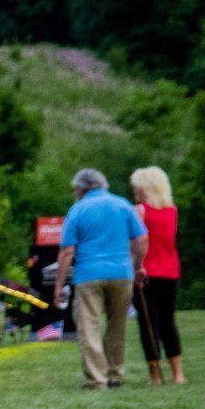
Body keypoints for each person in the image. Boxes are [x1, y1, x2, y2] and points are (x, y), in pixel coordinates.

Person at [53, 167, 148, 390]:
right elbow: (142, 238)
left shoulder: (77, 210)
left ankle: (97, 379)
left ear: (81, 188)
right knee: (117, 325)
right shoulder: (123, 205)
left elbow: (67, 251)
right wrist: (137, 266)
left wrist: (59, 285)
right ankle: (114, 374)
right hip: (121, 273)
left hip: (89, 275)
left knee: (89, 327)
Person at [130, 165, 184, 385]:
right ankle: (178, 373)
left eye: (136, 186)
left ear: (146, 187)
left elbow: (135, 242)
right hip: (170, 270)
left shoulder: (139, 211)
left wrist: (135, 266)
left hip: (145, 272)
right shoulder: (172, 211)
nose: (134, 190)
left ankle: (155, 374)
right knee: (168, 321)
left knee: (148, 322)